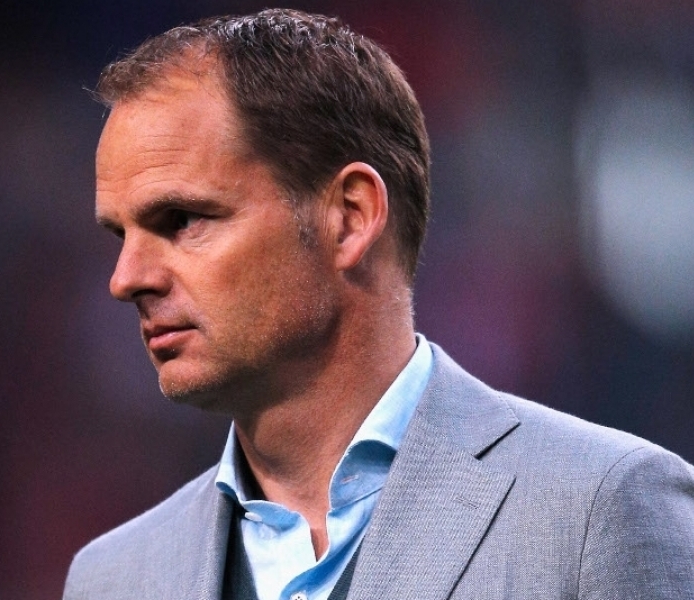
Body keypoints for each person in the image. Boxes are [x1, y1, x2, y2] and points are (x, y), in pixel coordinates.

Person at [63, 9, 694, 600]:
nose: (126, 279)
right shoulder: (111, 579)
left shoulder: (601, 508)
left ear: (350, 216)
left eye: (181, 220)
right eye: (121, 236)